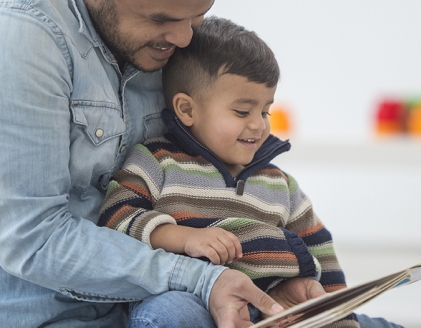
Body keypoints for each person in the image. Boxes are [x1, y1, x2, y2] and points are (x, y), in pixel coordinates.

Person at [98, 16, 403, 328]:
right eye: (242, 111)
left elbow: (320, 249)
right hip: (192, 300)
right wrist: (185, 237)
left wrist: (338, 315)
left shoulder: (279, 184)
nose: (259, 124)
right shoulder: (156, 160)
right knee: (167, 315)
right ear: (187, 110)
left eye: (265, 110)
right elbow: (115, 218)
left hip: (277, 309)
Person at [0, 1, 285, 327]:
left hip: (159, 301)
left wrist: (276, 280)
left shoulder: (171, 41)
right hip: (54, 315)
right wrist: (201, 278)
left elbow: (211, 179)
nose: (184, 38)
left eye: (197, 15)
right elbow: (34, 239)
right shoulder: (27, 34)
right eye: (161, 19)